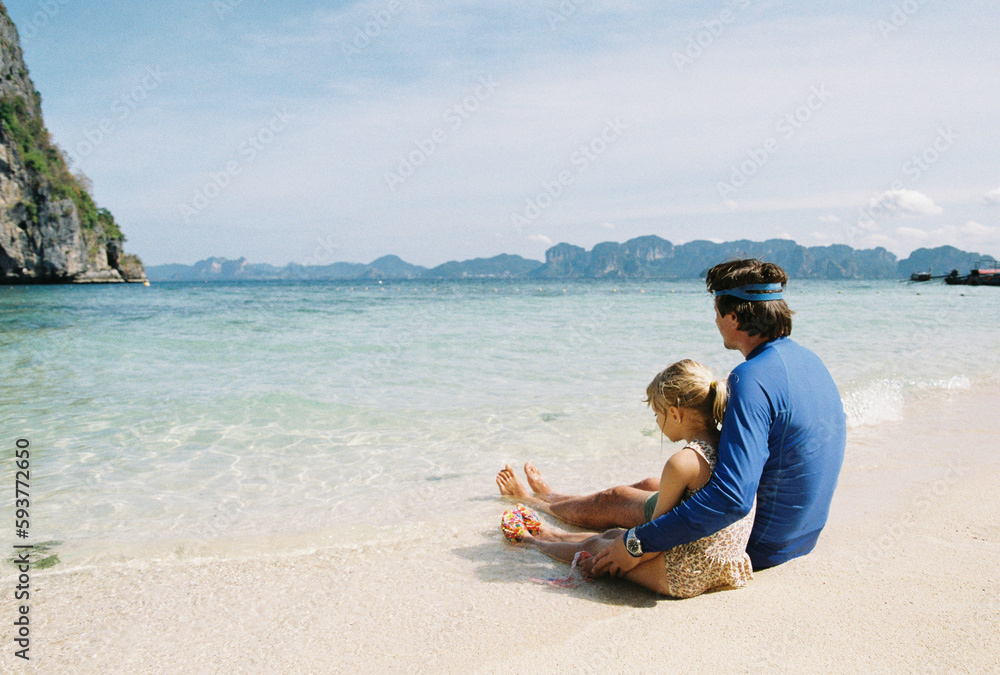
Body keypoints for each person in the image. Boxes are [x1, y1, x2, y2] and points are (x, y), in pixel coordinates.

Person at [498, 258, 846, 575]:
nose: (715, 321)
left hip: (762, 545)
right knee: (652, 486)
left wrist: (638, 545)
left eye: (716, 312)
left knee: (616, 499)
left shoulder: (751, 378)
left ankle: (538, 509)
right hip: (802, 534)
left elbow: (732, 499)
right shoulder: (810, 362)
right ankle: (551, 499)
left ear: (734, 318)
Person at [501, 360, 755, 598]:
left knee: (597, 545)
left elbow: (657, 536)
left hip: (684, 574)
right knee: (614, 534)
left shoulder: (683, 462)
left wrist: (614, 560)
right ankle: (550, 532)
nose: (656, 421)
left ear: (676, 414)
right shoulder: (732, 444)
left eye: (658, 412)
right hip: (724, 562)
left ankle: (531, 541)